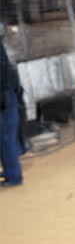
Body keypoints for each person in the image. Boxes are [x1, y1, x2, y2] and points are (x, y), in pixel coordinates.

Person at [1, 31, 25, 188]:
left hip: (4, 95)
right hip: (9, 93)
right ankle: (11, 169)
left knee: (5, 137)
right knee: (8, 136)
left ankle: (14, 176)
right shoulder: (3, 49)